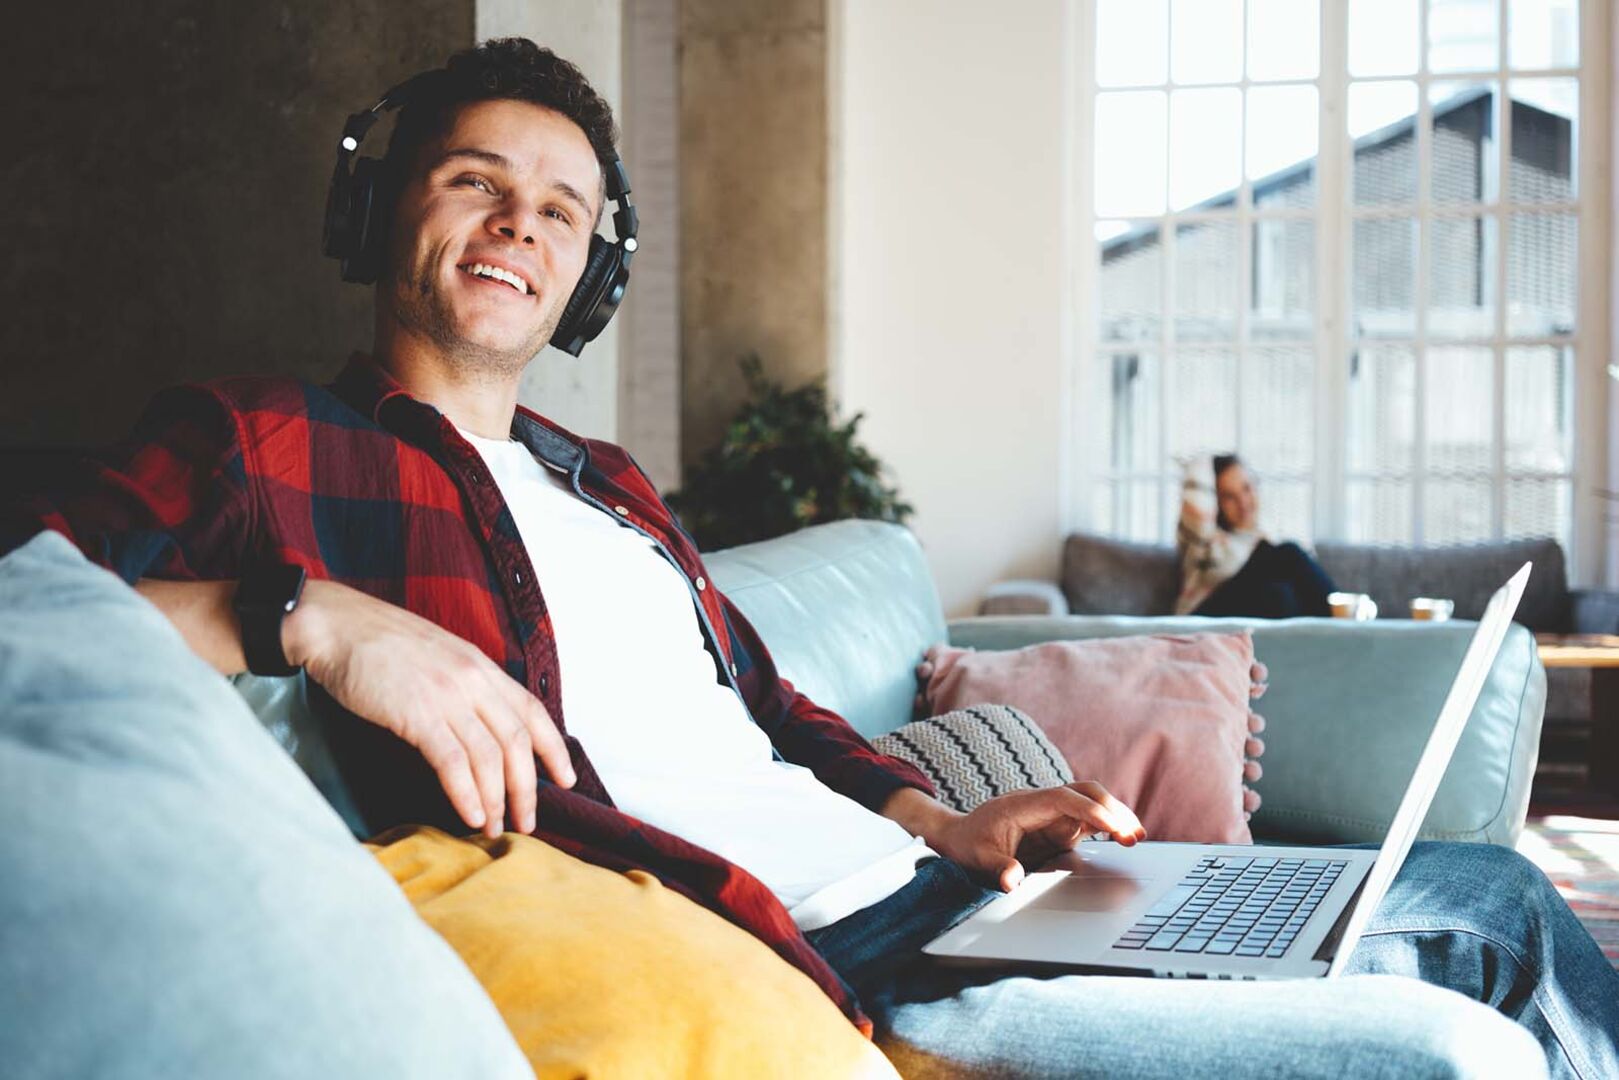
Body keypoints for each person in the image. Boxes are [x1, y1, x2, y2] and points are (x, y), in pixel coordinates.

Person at [6, 38, 1616, 1079]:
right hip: (836, 958)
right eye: (472, 183)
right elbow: (27, 598)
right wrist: (310, 615)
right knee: (1450, 1036)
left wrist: (950, 818)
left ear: (589, 277)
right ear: (383, 215)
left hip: (947, 890)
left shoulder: (607, 483)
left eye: (562, 213)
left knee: (1486, 890)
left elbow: (770, 713)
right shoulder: (265, 440)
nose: (519, 225)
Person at [1176, 453, 1340, 618]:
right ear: (1215, 501)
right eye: (1229, 497)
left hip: (1246, 623)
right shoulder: (1204, 540)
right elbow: (1196, 503)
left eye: (1246, 488)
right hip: (1199, 621)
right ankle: (1347, 620)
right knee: (1288, 553)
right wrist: (1202, 460)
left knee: (1280, 596)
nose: (1243, 502)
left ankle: (1340, 628)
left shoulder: (1265, 536)